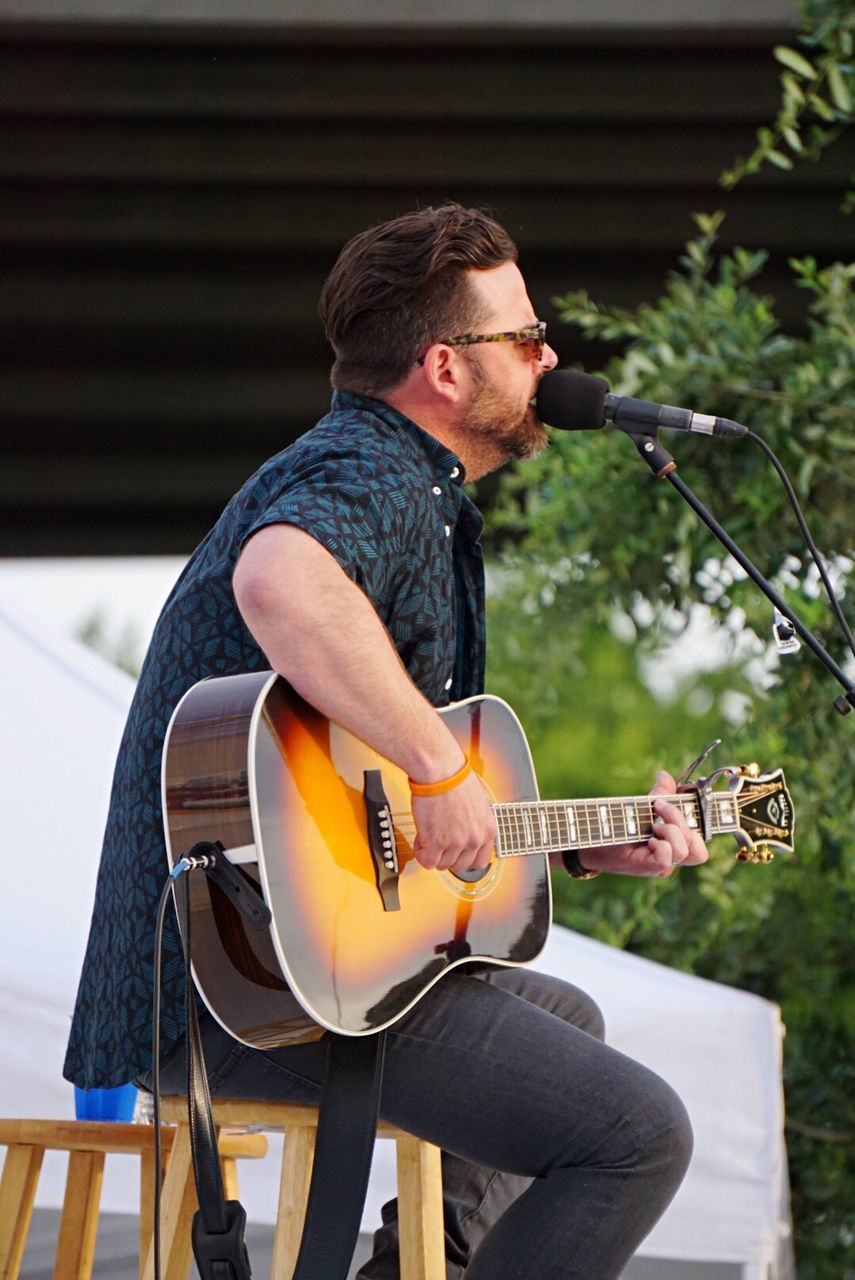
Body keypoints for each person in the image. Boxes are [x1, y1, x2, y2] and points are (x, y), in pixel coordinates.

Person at [64, 204, 709, 1280]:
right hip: (240, 992)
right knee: (637, 1135)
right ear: (446, 369)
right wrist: (438, 760)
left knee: (571, 1012)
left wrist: (589, 845)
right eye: (526, 336)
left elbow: (372, 836)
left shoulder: (404, 487)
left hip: (254, 971)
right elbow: (278, 579)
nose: (552, 358)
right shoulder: (377, 474)